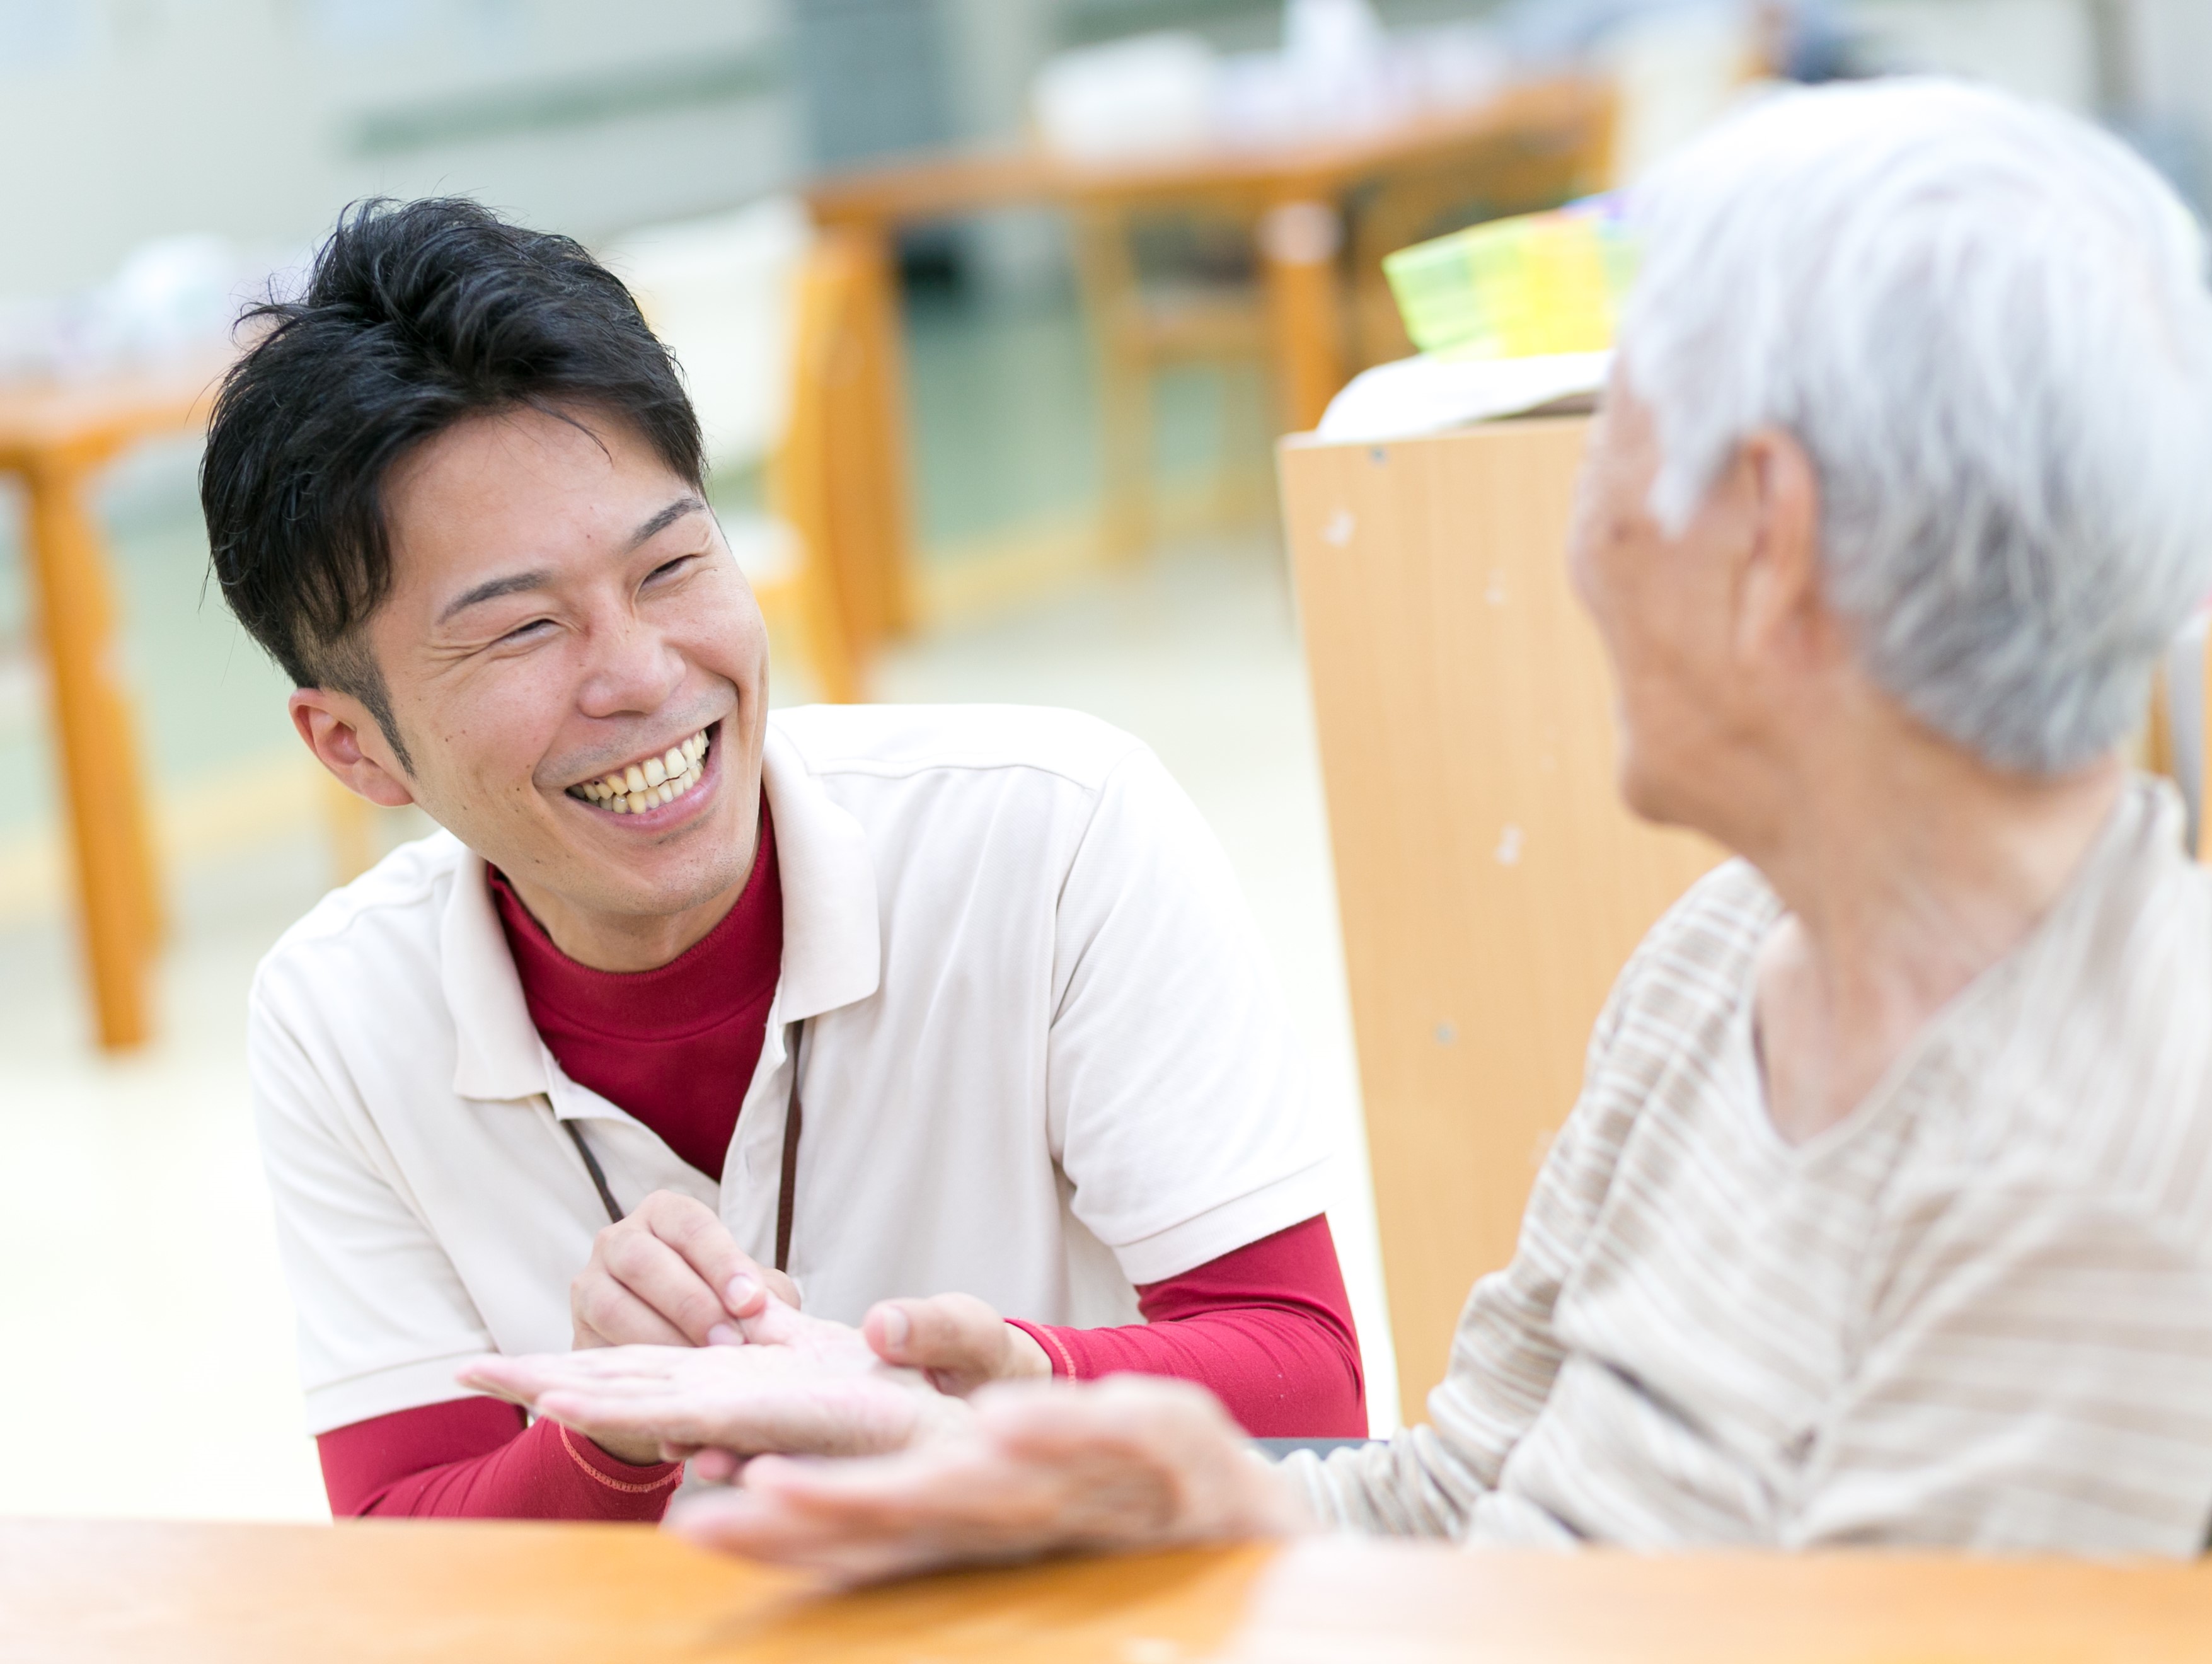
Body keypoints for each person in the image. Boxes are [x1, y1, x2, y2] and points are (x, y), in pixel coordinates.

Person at [472, 79, 2212, 1574]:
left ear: (1765, 536)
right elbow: (1470, 1502)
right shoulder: (1729, 961)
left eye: (1615, 438)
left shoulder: (2126, 1143)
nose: (1580, 539)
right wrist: (1182, 1495)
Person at [206, 199, 1366, 1522]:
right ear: (356, 749)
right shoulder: (338, 1013)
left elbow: (1313, 1392)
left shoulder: (1050, 831)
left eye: (673, 566)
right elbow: (398, 1555)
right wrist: (615, 1437)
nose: (642, 675)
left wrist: (990, 1389)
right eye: (523, 631)